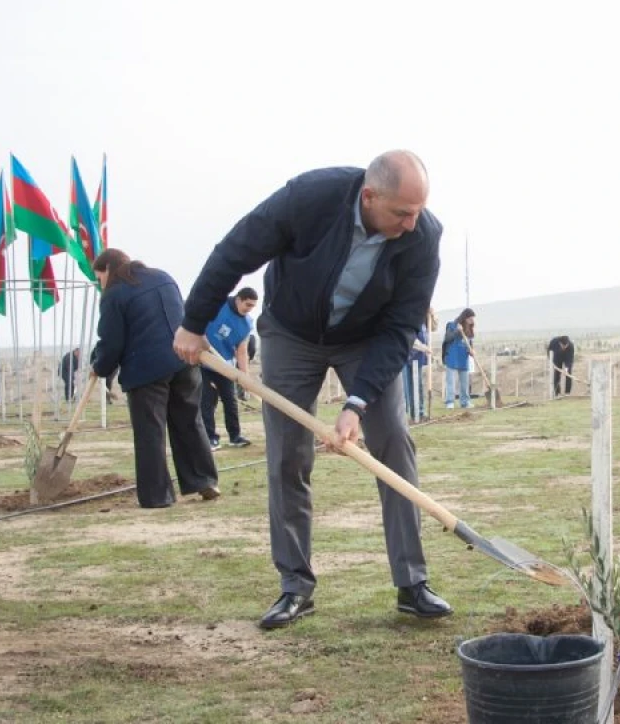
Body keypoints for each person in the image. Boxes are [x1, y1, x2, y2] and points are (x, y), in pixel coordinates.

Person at [172, 150, 453, 629]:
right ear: (369, 196)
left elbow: (401, 326)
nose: (411, 224)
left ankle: (412, 583)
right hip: (292, 333)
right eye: (402, 213)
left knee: (393, 443)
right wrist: (193, 323)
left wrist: (356, 404)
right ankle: (295, 585)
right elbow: (235, 251)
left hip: (366, 339)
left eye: (418, 212)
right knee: (287, 454)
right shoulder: (310, 198)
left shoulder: (422, 236)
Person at [90, 248, 221, 508]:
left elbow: (112, 341)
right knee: (189, 422)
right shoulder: (163, 277)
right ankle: (204, 480)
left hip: (146, 368)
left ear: (108, 269)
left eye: (99, 277)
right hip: (184, 361)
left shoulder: (114, 294)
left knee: (150, 432)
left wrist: (99, 366)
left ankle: (157, 495)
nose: (100, 283)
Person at [202, 286, 259, 450]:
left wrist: (244, 376)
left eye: (253, 306)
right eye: (248, 304)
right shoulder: (218, 305)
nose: (250, 309)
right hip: (204, 361)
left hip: (225, 365)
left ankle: (235, 436)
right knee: (207, 401)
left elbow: (242, 351)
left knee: (230, 400)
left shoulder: (246, 324)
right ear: (239, 299)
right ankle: (210, 438)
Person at [402, 310, 433, 421]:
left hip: (418, 358)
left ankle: (419, 412)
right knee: (410, 388)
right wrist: (424, 348)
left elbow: (433, 328)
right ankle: (414, 413)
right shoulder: (411, 320)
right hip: (409, 358)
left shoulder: (423, 322)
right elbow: (411, 338)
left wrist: (432, 316)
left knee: (418, 386)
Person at [443, 308, 475, 409]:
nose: (472, 321)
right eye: (470, 319)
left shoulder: (469, 328)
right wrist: (457, 331)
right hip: (452, 356)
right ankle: (450, 402)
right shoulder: (452, 325)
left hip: (463, 358)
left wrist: (471, 351)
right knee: (451, 381)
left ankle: (465, 402)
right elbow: (447, 338)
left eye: (473, 319)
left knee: (465, 382)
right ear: (465, 317)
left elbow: (470, 343)